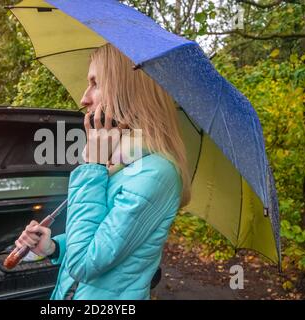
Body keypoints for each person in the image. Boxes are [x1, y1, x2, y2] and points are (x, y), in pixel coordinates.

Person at [13, 43, 191, 300]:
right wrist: (52, 247)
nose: (84, 98)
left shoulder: (157, 173)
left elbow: (84, 263)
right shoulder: (122, 162)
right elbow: (97, 239)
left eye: (95, 83)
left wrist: (93, 166)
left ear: (127, 91)